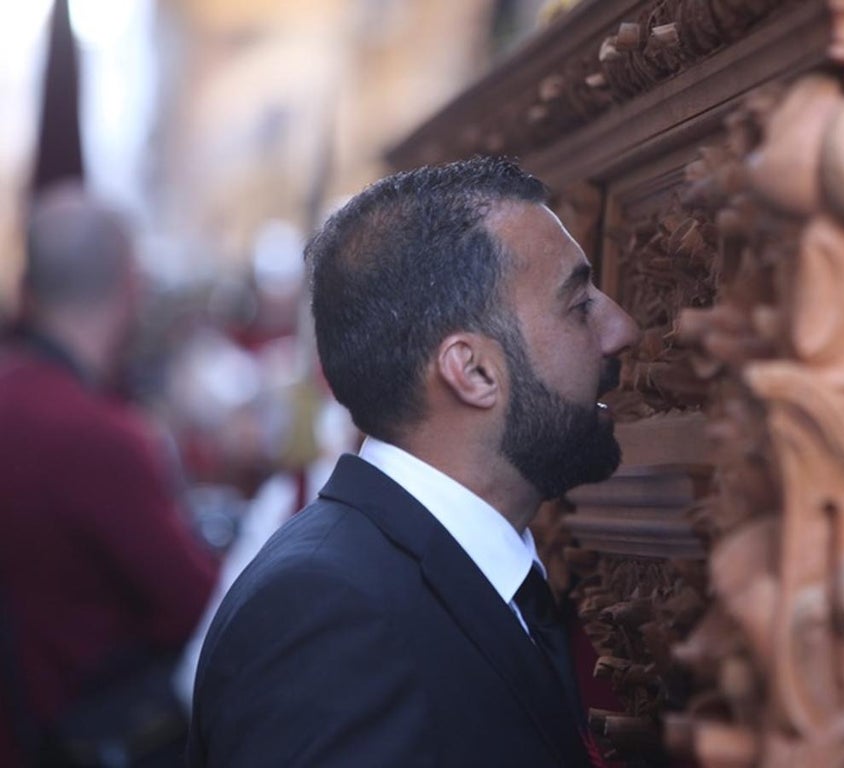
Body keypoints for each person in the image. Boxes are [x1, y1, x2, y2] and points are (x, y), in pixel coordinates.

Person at [188, 156, 639, 767]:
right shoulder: (328, 616)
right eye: (579, 304)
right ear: (472, 371)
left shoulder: (427, 577)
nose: (622, 329)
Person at [0, 186, 217, 767]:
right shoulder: (97, 435)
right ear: (131, 287)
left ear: (26, 289)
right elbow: (197, 605)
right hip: (76, 738)